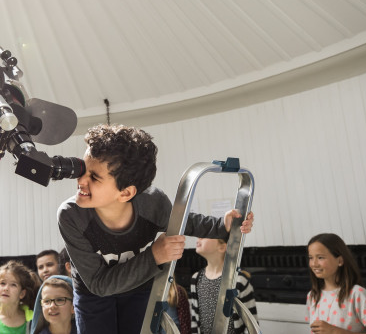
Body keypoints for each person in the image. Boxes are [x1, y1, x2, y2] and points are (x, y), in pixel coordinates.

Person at [57, 124, 254, 334]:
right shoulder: (71, 215)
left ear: (126, 193)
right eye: (82, 170)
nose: (81, 180)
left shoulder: (152, 203)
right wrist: (154, 256)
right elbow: (99, 284)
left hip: (138, 287)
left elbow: (185, 221)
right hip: (93, 295)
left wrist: (222, 226)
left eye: (94, 177)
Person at [306, 233, 366, 334]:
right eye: (311, 258)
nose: (314, 264)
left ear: (340, 260)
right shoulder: (312, 296)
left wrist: (334, 331)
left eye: (320, 257)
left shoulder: (357, 294)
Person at [189, 238, 257, 334]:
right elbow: (194, 319)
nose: (199, 238)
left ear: (222, 247)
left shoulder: (239, 281)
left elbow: (252, 325)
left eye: (205, 236)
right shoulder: (196, 278)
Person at [0, 260, 40, 334]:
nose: (6, 288)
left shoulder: (35, 321)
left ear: (22, 293)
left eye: (13, 285)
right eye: (2, 283)